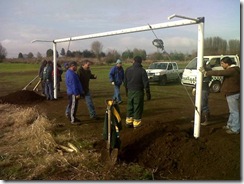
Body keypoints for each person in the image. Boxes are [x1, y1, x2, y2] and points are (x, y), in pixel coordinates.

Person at [199, 56, 240, 134]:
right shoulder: (236, 69)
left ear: (227, 63)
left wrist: (206, 73)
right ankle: (230, 125)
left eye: (222, 63)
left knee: (234, 112)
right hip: (234, 93)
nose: (221, 65)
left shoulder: (232, 70)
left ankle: (235, 129)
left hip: (232, 93)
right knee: (232, 111)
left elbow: (219, 73)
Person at [124, 56, 151, 128]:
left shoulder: (128, 70)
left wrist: (126, 91)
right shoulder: (142, 71)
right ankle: (136, 123)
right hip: (138, 91)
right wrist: (148, 94)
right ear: (140, 62)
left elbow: (125, 82)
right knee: (137, 107)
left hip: (130, 90)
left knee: (130, 106)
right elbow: (146, 83)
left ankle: (128, 122)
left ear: (134, 61)